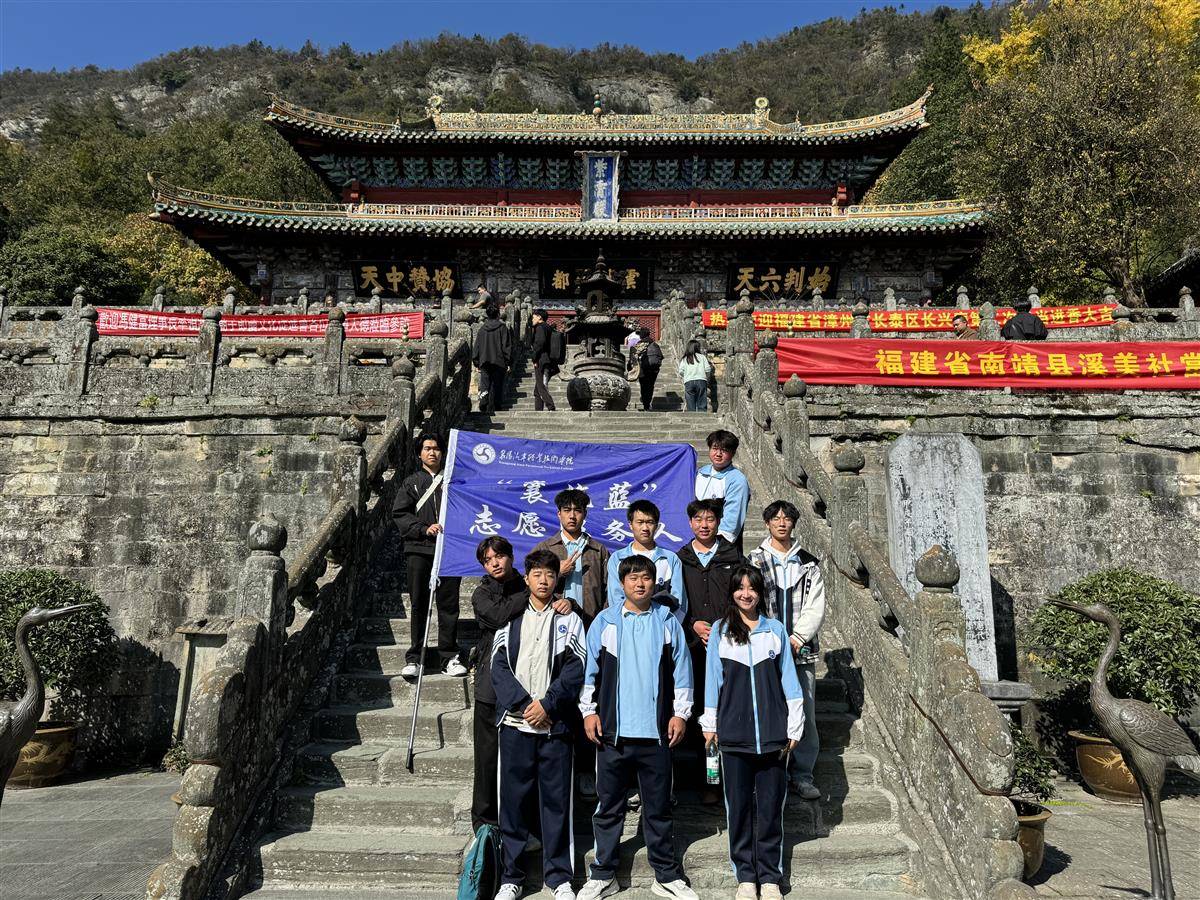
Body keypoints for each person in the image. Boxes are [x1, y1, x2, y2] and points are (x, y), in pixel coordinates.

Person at [577, 555, 698, 900]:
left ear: (654, 582)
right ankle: (603, 874)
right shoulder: (605, 621)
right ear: (622, 583)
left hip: (656, 733)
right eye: (632, 578)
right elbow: (589, 672)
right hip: (612, 734)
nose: (640, 584)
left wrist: (680, 714)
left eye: (645, 577)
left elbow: (682, 671)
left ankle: (666, 875)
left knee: (658, 808)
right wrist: (588, 712)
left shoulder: (667, 621)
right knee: (608, 806)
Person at [701, 565, 805, 900]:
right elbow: (712, 681)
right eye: (740, 588)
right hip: (733, 737)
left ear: (760, 593)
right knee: (739, 808)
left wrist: (794, 724)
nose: (746, 594)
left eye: (752, 588)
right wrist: (710, 724)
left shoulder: (775, 630)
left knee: (771, 808)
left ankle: (770, 877)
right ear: (732, 592)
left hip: (774, 736)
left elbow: (790, 681)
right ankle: (746, 876)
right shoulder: (721, 631)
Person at [491, 549, 587, 900]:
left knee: (557, 803)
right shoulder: (511, 619)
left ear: (557, 578)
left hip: (554, 726)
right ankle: (511, 878)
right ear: (527, 578)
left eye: (550, 574)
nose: (544, 580)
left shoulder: (569, 620)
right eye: (537, 574)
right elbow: (498, 667)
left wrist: (547, 704)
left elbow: (576, 668)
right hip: (515, 726)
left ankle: (560, 878)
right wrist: (523, 705)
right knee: (513, 804)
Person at [533, 487, 611, 798]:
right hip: (554, 637)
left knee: (589, 701)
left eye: (578, 510)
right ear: (558, 514)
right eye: (567, 510)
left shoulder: (598, 550)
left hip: (590, 632)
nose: (572, 516)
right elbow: (534, 591)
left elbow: (609, 595)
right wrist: (559, 572)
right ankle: (557, 770)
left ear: (585, 514)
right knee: (558, 698)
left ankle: (586, 770)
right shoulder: (546, 548)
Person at [748, 501, 825, 801]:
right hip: (764, 651)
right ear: (767, 523)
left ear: (794, 523)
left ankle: (802, 774)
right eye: (775, 518)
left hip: (801, 652)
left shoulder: (808, 563)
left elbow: (815, 606)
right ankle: (769, 774)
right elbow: (749, 600)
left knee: (805, 711)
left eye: (787, 518)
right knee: (767, 710)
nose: (781, 523)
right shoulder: (755, 560)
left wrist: (797, 638)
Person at [678, 498, 744, 803]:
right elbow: (675, 601)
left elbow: (743, 596)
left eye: (710, 519)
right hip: (693, 649)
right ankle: (704, 780)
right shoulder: (681, 559)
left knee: (727, 709)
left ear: (718, 522)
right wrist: (692, 624)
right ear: (690, 523)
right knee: (697, 712)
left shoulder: (733, 556)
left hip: (728, 646)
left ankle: (726, 780)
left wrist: (723, 627)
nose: (704, 525)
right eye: (698, 520)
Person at [392, 433, 465, 678]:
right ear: (419, 454)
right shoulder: (411, 483)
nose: (432, 452)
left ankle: (449, 656)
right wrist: (423, 529)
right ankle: (415, 658)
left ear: (442, 453)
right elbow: (400, 514)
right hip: (419, 549)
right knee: (419, 603)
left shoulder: (453, 481)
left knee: (449, 605)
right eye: (427, 448)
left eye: (436, 448)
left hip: (449, 551)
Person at [469, 536, 529, 831]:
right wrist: (530, 595)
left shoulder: (529, 584)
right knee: (487, 758)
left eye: (499, 556)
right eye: (487, 560)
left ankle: (521, 821)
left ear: (511, 556)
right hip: (490, 686)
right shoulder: (482, 593)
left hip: (527, 682)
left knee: (521, 760)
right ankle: (484, 823)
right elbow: (497, 615)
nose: (494, 563)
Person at [606, 499, 687, 625]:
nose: (645, 528)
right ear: (630, 524)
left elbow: (679, 602)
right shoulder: (617, 559)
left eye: (650, 522)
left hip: (662, 628)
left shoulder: (670, 559)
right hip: (628, 628)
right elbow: (615, 600)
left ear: (657, 525)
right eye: (640, 522)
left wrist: (668, 628)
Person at [695, 429, 750, 555]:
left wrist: (715, 547)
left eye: (724, 450)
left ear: (733, 453)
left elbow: (731, 522)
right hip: (697, 543)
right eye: (715, 448)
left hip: (722, 548)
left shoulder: (737, 480)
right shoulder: (700, 473)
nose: (718, 454)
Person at [472, 302, 512, 414]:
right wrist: (508, 362)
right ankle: (496, 406)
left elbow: (477, 346)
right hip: (499, 361)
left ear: (487, 315)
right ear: (498, 314)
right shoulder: (503, 328)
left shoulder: (482, 329)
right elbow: (506, 346)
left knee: (485, 384)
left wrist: (476, 362)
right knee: (497, 384)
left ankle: (483, 403)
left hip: (484, 361)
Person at [530, 308, 557, 412]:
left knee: (541, 385)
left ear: (539, 317)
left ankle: (551, 406)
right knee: (537, 390)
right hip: (547, 360)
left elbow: (539, 343)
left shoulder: (540, 327)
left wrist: (534, 358)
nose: (532, 319)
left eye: (533, 317)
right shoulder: (548, 328)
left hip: (542, 360)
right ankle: (538, 410)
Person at [678, 340, 713, 412]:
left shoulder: (685, 358)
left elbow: (681, 371)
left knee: (690, 403)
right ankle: (702, 415)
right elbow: (708, 369)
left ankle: (691, 415)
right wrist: (706, 378)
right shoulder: (702, 357)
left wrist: (686, 375)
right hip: (701, 380)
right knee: (702, 402)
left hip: (689, 381)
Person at [634, 327, 663, 412]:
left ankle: (645, 403)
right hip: (653, 369)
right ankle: (647, 403)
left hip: (642, 369)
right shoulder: (654, 344)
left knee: (643, 386)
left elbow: (634, 356)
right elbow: (660, 356)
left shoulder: (639, 344)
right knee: (650, 386)